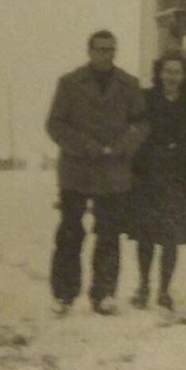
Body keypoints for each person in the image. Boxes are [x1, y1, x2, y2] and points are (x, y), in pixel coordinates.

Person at [44, 29, 149, 315]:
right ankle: (64, 294)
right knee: (70, 231)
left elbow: (141, 123)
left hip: (113, 172)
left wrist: (122, 145)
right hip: (77, 171)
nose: (106, 55)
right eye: (100, 49)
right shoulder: (69, 83)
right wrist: (86, 146)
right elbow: (55, 125)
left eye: (111, 49)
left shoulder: (128, 84)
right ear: (89, 51)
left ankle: (104, 293)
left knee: (109, 232)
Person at [126, 53, 186, 311]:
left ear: (184, 75)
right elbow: (135, 131)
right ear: (159, 73)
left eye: (177, 72)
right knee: (146, 235)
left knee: (171, 236)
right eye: (168, 71)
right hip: (148, 174)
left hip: (179, 176)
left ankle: (164, 290)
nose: (172, 77)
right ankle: (143, 286)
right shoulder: (146, 98)